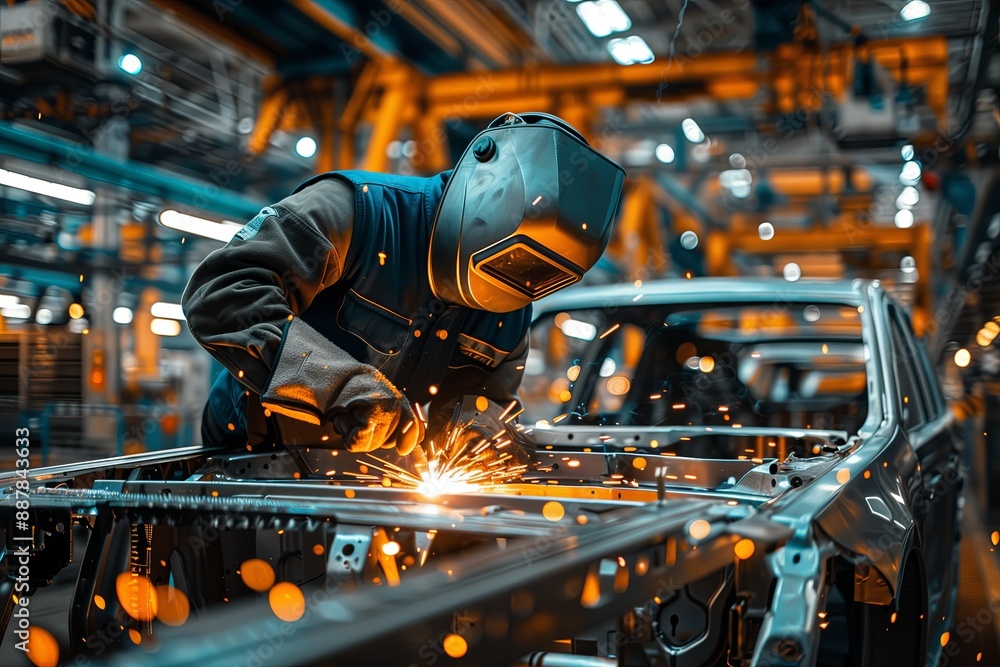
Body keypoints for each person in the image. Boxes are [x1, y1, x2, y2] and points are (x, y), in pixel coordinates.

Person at [182, 112, 625, 461]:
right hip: (252, 455)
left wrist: (476, 437)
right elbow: (224, 291)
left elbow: (484, 401)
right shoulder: (358, 212)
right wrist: (339, 385)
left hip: (367, 475)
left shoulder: (514, 298)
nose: (508, 288)